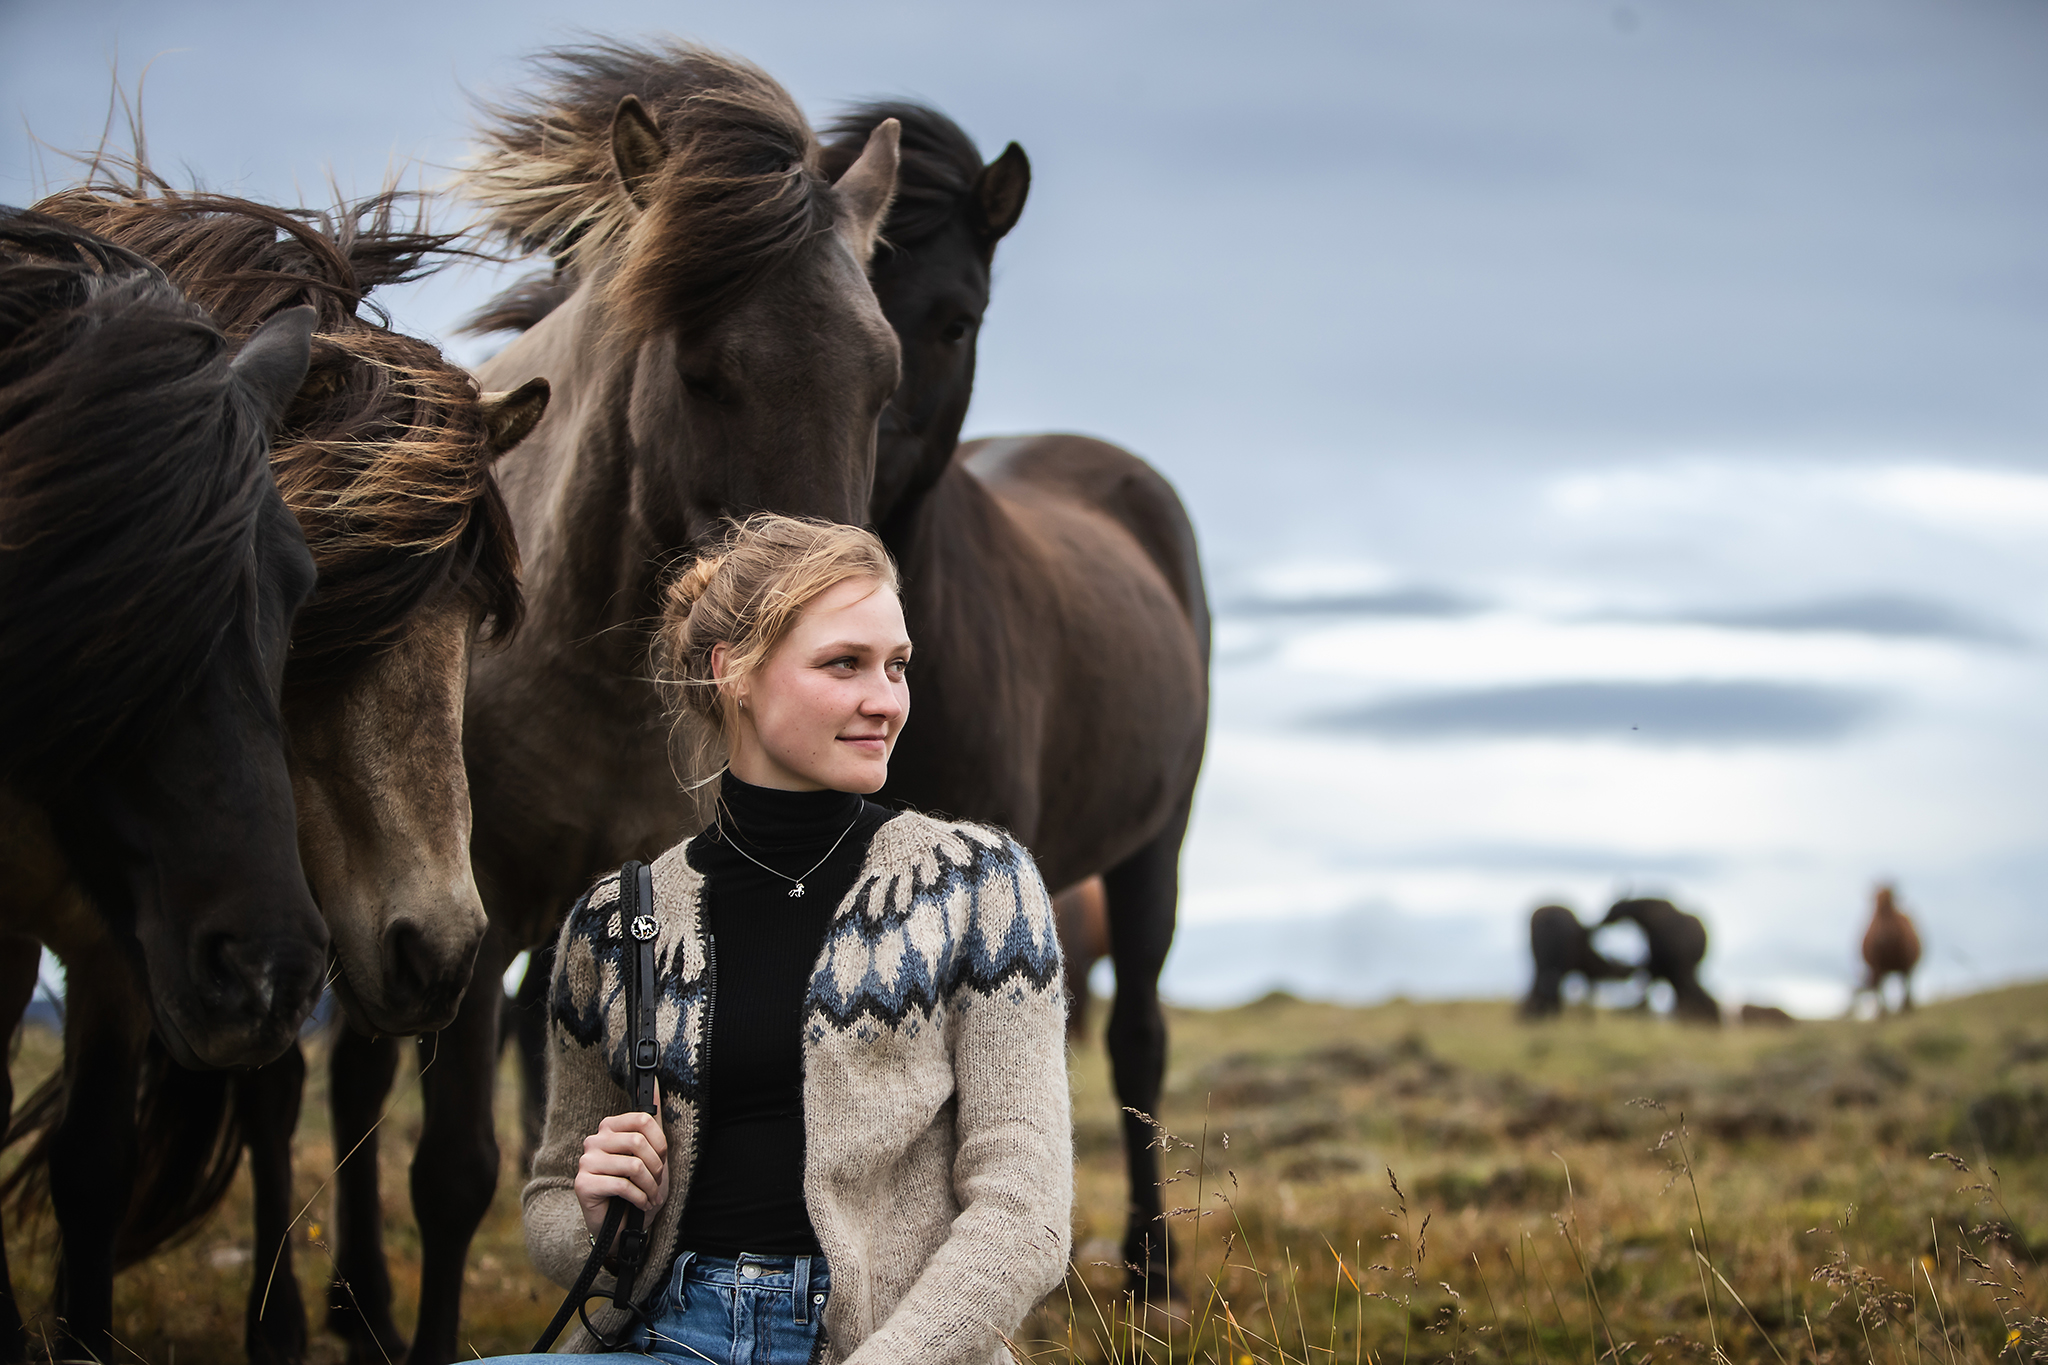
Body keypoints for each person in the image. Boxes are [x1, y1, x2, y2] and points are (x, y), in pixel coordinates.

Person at [504, 514, 1072, 1364]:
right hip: (660, 1338)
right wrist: (600, 1220)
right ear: (730, 668)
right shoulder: (614, 921)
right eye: (843, 663)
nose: (885, 699)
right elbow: (551, 1196)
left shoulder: (978, 887)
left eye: (896, 666)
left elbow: (1025, 1210)